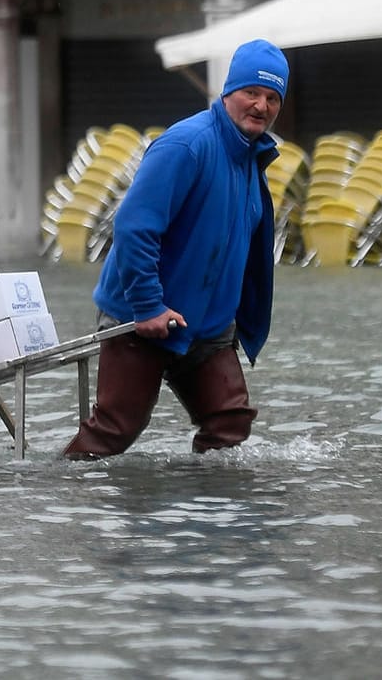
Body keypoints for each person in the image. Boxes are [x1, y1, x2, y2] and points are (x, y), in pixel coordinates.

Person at [65, 38, 288, 459]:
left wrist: (238, 320)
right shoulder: (186, 145)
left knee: (229, 423)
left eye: (273, 97)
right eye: (252, 92)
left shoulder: (251, 159)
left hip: (207, 326)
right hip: (141, 313)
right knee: (114, 432)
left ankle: (202, 510)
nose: (261, 105)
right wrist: (147, 306)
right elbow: (133, 226)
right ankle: (60, 498)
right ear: (227, 93)